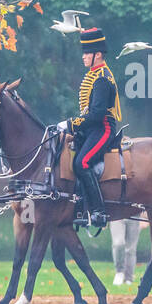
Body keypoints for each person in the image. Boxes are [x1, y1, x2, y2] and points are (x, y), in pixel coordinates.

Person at [55, 27, 121, 229]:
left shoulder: (102, 78)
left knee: (82, 163)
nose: (83, 57)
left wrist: (71, 124)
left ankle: (99, 211)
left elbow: (97, 115)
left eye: (87, 53)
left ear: (98, 54)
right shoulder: (93, 74)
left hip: (102, 128)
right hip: (91, 129)